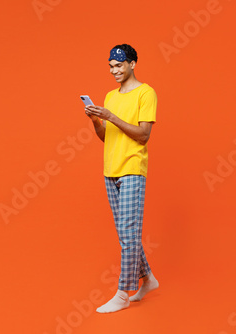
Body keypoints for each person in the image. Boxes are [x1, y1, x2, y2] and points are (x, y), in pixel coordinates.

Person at [85, 44, 159, 313]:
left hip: (132, 169)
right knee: (125, 235)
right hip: (110, 170)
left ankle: (122, 292)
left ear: (132, 64)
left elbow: (143, 135)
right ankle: (148, 279)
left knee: (128, 236)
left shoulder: (146, 93)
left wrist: (110, 116)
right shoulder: (110, 96)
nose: (114, 71)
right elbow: (106, 136)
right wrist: (96, 120)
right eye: (111, 67)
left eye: (119, 65)